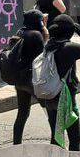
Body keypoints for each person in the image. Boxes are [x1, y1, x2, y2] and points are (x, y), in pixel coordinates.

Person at [44, 15, 80, 151]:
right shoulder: (69, 48)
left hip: (49, 97)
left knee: (56, 136)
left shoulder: (48, 46)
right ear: (69, 31)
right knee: (74, 139)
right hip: (66, 99)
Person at [13, 10, 48, 145]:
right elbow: (42, 58)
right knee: (50, 111)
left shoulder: (20, 32)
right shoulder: (36, 35)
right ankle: (57, 143)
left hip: (19, 81)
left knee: (22, 114)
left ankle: (16, 145)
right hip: (32, 80)